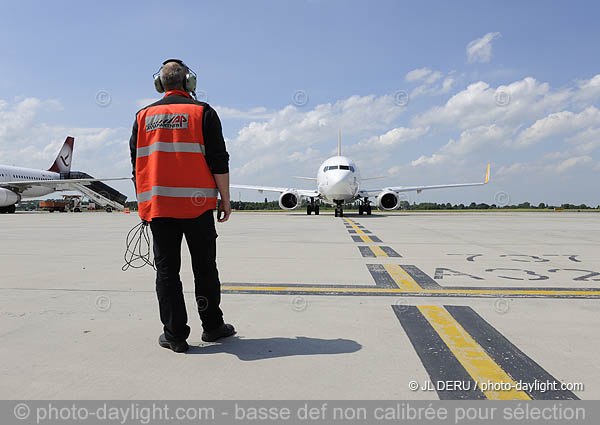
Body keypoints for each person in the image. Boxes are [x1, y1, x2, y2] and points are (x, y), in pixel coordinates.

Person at [129, 59, 234, 353]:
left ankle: (175, 335)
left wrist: (144, 204)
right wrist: (224, 200)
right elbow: (218, 160)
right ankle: (212, 326)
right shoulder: (203, 113)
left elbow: (136, 166)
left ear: (160, 85)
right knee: (204, 268)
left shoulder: (142, 116)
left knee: (166, 272)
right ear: (190, 83)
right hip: (197, 207)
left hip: (159, 208)